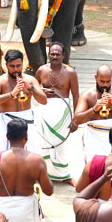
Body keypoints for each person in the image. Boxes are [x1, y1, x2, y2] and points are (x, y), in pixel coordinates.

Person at [34, 42, 80, 184]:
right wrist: (42, 91)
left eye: (57, 54)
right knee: (43, 144)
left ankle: (64, 175)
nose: (54, 56)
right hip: (44, 111)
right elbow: (33, 89)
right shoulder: (41, 70)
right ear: (48, 54)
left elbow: (76, 96)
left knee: (61, 145)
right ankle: (41, 174)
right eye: (52, 54)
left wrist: (76, 119)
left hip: (62, 112)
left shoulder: (70, 72)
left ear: (63, 55)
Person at [0, 49, 47, 153]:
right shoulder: (1, 81)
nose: (15, 69)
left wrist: (31, 88)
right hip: (7, 123)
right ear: (6, 65)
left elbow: (44, 100)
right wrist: (11, 94)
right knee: (6, 154)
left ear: (22, 64)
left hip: (27, 122)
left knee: (29, 153)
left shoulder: (30, 80)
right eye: (12, 66)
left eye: (18, 66)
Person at [74, 64, 112, 165]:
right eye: (102, 81)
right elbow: (76, 120)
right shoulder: (87, 95)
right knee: (94, 168)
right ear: (96, 78)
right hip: (93, 139)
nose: (105, 85)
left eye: (108, 81)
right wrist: (94, 109)